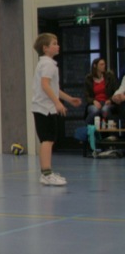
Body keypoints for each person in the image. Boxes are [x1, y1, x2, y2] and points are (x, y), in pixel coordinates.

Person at [31, 33, 82, 186]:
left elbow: (53, 88)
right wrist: (57, 103)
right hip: (44, 108)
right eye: (54, 43)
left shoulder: (48, 64)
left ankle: (47, 172)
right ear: (45, 48)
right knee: (47, 140)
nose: (58, 46)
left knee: (49, 140)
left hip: (45, 107)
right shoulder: (47, 64)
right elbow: (45, 85)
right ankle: (46, 174)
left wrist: (69, 99)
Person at [83, 58, 117, 125]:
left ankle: (110, 129)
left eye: (104, 64)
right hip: (94, 103)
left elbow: (115, 91)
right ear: (95, 66)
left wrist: (110, 100)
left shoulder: (109, 77)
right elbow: (86, 96)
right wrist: (94, 101)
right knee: (95, 111)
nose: (104, 66)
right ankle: (87, 128)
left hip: (107, 102)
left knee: (105, 110)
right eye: (101, 64)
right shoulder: (89, 79)